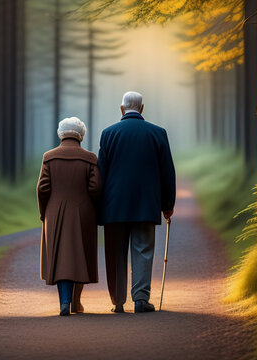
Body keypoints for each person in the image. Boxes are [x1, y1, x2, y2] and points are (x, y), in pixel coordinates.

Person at [98, 91, 176, 314]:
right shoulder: (158, 133)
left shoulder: (108, 134)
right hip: (146, 204)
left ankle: (118, 301)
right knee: (143, 249)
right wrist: (167, 203)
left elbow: (101, 172)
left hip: (114, 206)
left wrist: (99, 205)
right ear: (142, 109)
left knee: (117, 252)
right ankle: (141, 299)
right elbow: (167, 172)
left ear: (121, 109)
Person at [37, 117, 102, 316]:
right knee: (80, 255)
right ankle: (76, 301)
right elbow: (96, 188)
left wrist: (43, 213)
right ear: (81, 135)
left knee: (61, 257)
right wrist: (95, 210)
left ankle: (64, 301)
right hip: (83, 212)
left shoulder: (49, 157)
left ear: (61, 134)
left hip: (54, 212)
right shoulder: (90, 158)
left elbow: (42, 188)